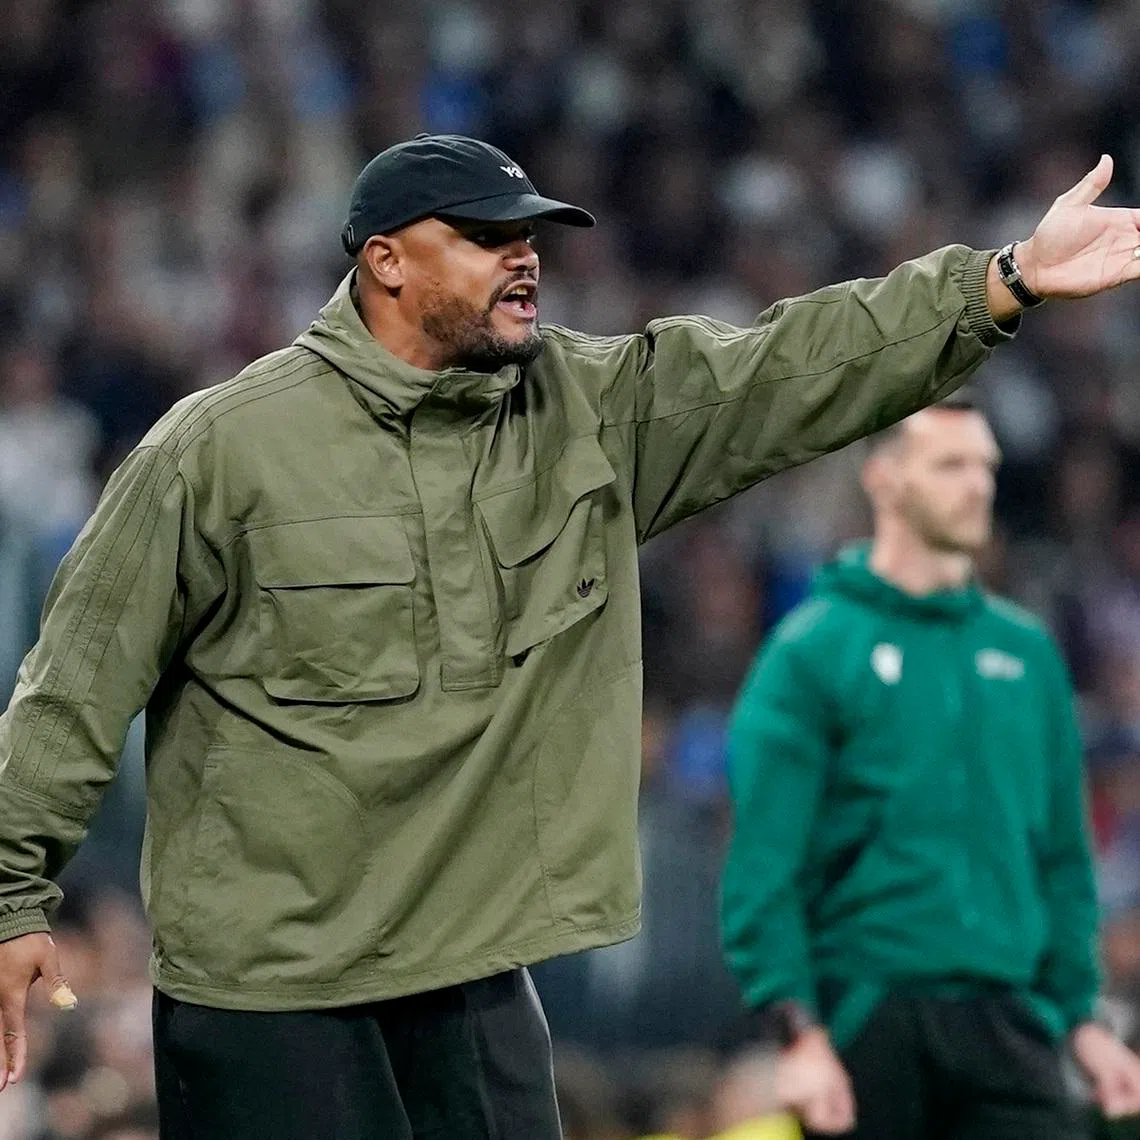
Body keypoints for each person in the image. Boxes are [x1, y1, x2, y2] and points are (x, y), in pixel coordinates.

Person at [0, 132, 1138, 1138]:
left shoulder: (588, 413)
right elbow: (76, 684)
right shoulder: (219, 451)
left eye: (532, 235)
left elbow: (790, 366)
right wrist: (12, 898)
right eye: (488, 236)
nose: (526, 256)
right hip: (271, 994)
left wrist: (1003, 282)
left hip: (475, 979)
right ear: (384, 260)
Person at [720, 398, 1140, 1139]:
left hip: (1012, 1023)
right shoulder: (812, 651)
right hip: (867, 1023)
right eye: (950, 464)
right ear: (883, 479)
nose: (978, 484)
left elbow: (1065, 860)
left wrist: (1082, 1018)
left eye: (986, 465)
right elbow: (763, 865)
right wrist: (798, 1030)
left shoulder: (1030, 653)